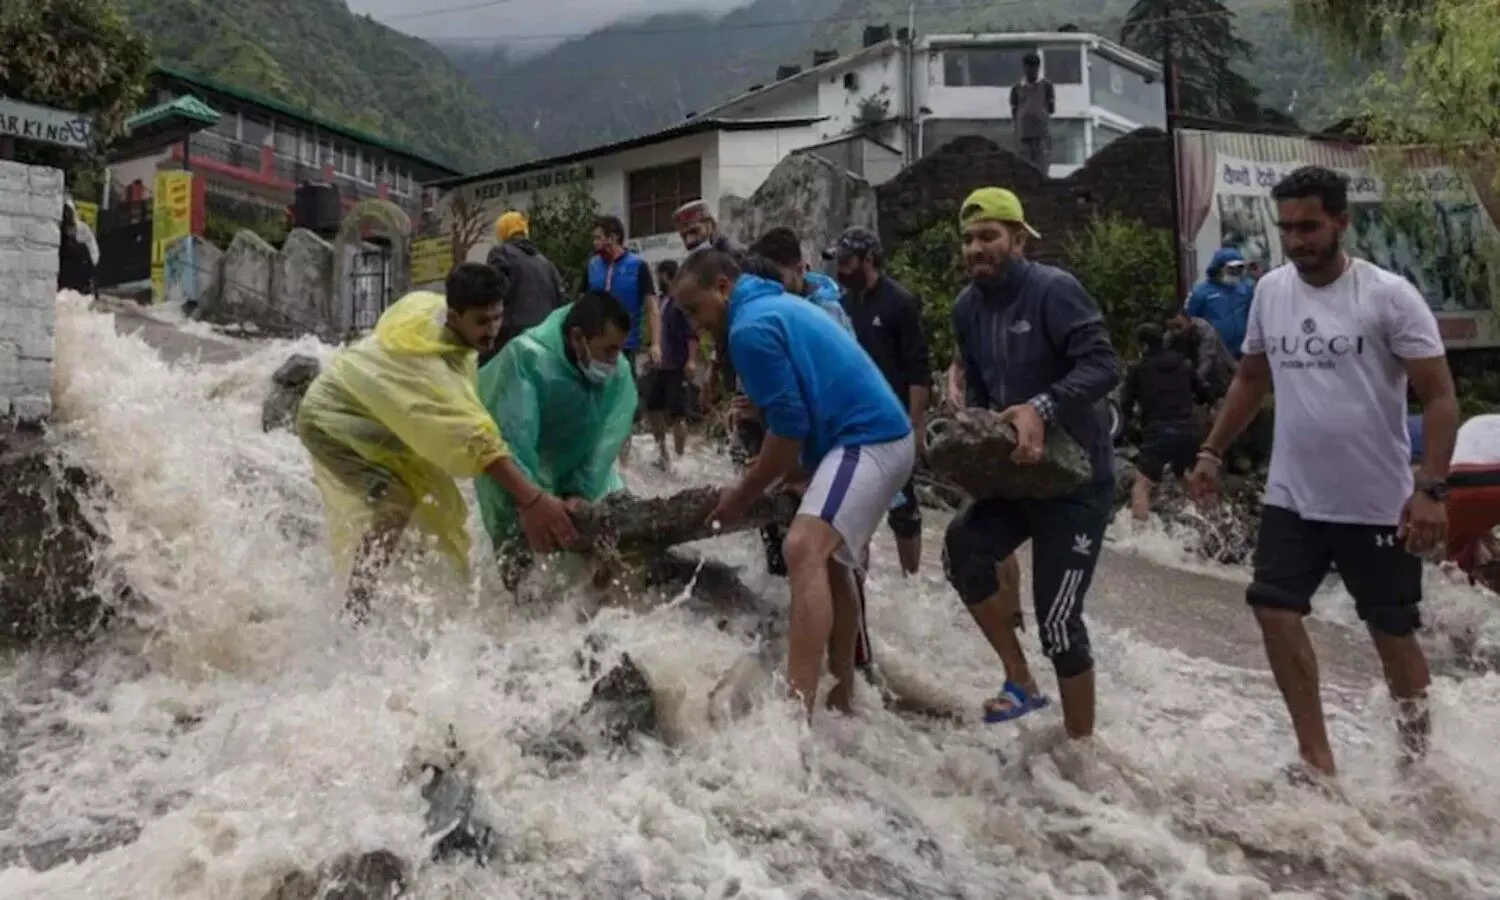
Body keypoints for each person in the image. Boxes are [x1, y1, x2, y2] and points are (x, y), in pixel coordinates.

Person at [1188, 165, 1458, 780]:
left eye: (1309, 226)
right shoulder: (1272, 292)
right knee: (1273, 607)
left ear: (1341, 221)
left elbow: (1439, 397)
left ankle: (1417, 769)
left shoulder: (1388, 296)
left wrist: (1432, 489)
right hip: (1293, 495)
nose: (1297, 240)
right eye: (1286, 229)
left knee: (1390, 632)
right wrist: (1211, 451)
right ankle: (1317, 758)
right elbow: (1251, 378)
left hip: (1375, 500)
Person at [672, 250, 914, 718]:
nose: (694, 324)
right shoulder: (772, 307)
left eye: (694, 309)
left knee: (802, 547)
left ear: (723, 286)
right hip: (868, 439)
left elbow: (787, 432)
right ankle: (843, 695)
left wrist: (740, 498)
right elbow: (803, 409)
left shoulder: (749, 329)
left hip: (869, 439)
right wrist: (801, 475)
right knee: (832, 562)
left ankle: (795, 712)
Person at [295, 263, 578, 616]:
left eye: (497, 318)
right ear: (455, 316)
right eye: (481, 321)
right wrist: (532, 500)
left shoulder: (431, 310)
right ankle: (356, 610)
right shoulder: (431, 368)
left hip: (371, 412)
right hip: (329, 421)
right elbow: (476, 443)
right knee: (397, 501)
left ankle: (400, 595)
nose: (492, 331)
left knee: (423, 498)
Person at [942, 187, 1121, 737]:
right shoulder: (966, 308)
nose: (977, 249)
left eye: (989, 236)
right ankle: (1020, 679)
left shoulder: (1054, 291)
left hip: (1077, 479)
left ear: (1018, 239)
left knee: (1060, 624)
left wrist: (1041, 407)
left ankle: (1080, 753)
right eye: (969, 239)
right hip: (1017, 473)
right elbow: (978, 384)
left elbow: (1103, 365)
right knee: (962, 551)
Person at [474, 290, 638, 554]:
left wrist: (581, 492)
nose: (613, 361)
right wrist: (528, 500)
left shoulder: (619, 374)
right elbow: (511, 440)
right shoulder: (525, 359)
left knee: (613, 541)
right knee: (519, 550)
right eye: (608, 350)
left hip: (582, 468)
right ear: (577, 338)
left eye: (618, 350)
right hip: (515, 470)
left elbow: (609, 436)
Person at [826, 225, 931, 575]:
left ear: (868, 259)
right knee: (856, 505)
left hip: (896, 422)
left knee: (903, 510)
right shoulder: (842, 305)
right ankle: (859, 582)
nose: (839, 270)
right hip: (854, 422)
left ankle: (910, 583)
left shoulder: (899, 302)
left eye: (846, 261)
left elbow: (918, 369)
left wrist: (916, 426)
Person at [581, 215, 659, 464]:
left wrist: (655, 343)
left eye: (598, 237)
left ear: (613, 237)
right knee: (592, 404)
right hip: (591, 349)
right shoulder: (592, 266)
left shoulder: (638, 266)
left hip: (624, 348)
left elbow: (652, 308)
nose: (594, 242)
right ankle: (595, 460)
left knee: (623, 407)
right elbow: (579, 305)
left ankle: (624, 464)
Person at [1121, 323, 1210, 522]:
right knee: (1190, 480)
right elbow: (1204, 393)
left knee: (1142, 486)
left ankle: (1141, 540)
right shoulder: (1183, 364)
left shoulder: (1139, 370)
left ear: (1144, 346)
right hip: (1188, 431)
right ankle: (1208, 529)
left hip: (1157, 433)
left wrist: (1131, 429)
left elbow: (1124, 406)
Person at [483, 210, 566, 364]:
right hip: (544, 340)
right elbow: (560, 301)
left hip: (513, 340)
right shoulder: (545, 262)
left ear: (503, 231)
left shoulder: (501, 253)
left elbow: (493, 292)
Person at [640, 259, 698, 469]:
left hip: (677, 368)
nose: (657, 280)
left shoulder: (679, 304)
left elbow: (692, 336)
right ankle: (663, 453)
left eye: (659, 276)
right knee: (653, 408)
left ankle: (680, 459)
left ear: (667, 276)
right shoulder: (662, 301)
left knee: (678, 415)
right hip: (660, 367)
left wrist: (691, 361)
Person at [1445, 414, 1500, 592]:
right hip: (1493, 480)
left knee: (1456, 559)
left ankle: (1468, 579)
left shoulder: (1474, 425)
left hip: (1456, 488)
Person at [1186, 248, 1255, 361]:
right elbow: (1191, 320)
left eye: (1239, 268)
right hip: (1215, 352)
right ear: (1218, 268)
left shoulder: (1245, 288)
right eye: (1231, 269)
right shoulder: (1200, 292)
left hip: (1242, 350)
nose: (1236, 272)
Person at [1166, 308, 1237, 401]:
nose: (1177, 332)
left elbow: (1206, 361)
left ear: (1189, 321)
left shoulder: (1205, 330)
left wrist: (1191, 382)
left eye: (1179, 327)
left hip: (1219, 369)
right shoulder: (1170, 337)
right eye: (1172, 328)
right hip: (1198, 374)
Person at [1010, 52, 1055, 173]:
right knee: (1024, 171)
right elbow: (1014, 111)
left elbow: (1051, 109)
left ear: (1038, 68)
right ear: (1024, 68)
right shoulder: (1016, 88)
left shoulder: (1047, 86)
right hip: (1023, 138)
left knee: (1042, 170)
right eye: (1029, 68)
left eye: (1034, 68)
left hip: (1041, 138)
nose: (1031, 72)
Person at [674, 199, 743, 255]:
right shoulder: (691, 263)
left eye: (694, 231)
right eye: (684, 236)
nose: (689, 240)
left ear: (710, 225)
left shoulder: (734, 253)